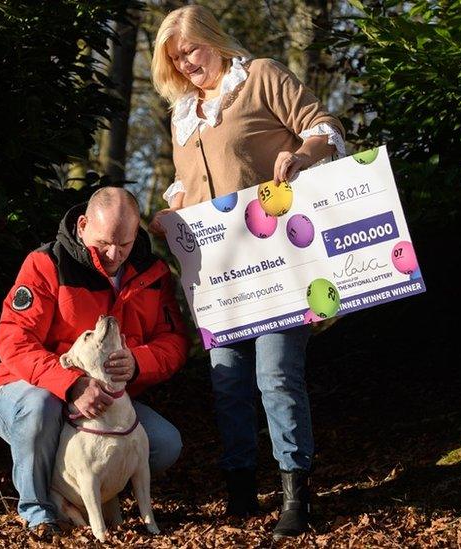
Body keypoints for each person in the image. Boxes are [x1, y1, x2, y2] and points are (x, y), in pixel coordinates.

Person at [147, 5, 346, 540]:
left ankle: (295, 495)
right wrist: (170, 214)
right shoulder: (182, 114)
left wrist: (301, 157)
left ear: (213, 39)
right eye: (175, 57)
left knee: (276, 375)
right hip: (218, 274)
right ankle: (239, 490)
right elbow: (184, 183)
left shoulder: (260, 76)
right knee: (228, 382)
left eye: (190, 49)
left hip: (279, 258)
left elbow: (324, 126)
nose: (185, 63)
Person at [0, 186, 189, 538]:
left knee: (163, 444)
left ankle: (91, 496)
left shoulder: (154, 272)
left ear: (136, 233)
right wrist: (71, 383)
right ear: (82, 226)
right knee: (40, 410)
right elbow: (14, 340)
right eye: (103, 244)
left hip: (108, 400)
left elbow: (173, 342)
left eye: (124, 244)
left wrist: (137, 363)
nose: (113, 254)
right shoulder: (46, 264)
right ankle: (39, 512)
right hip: (30, 388)